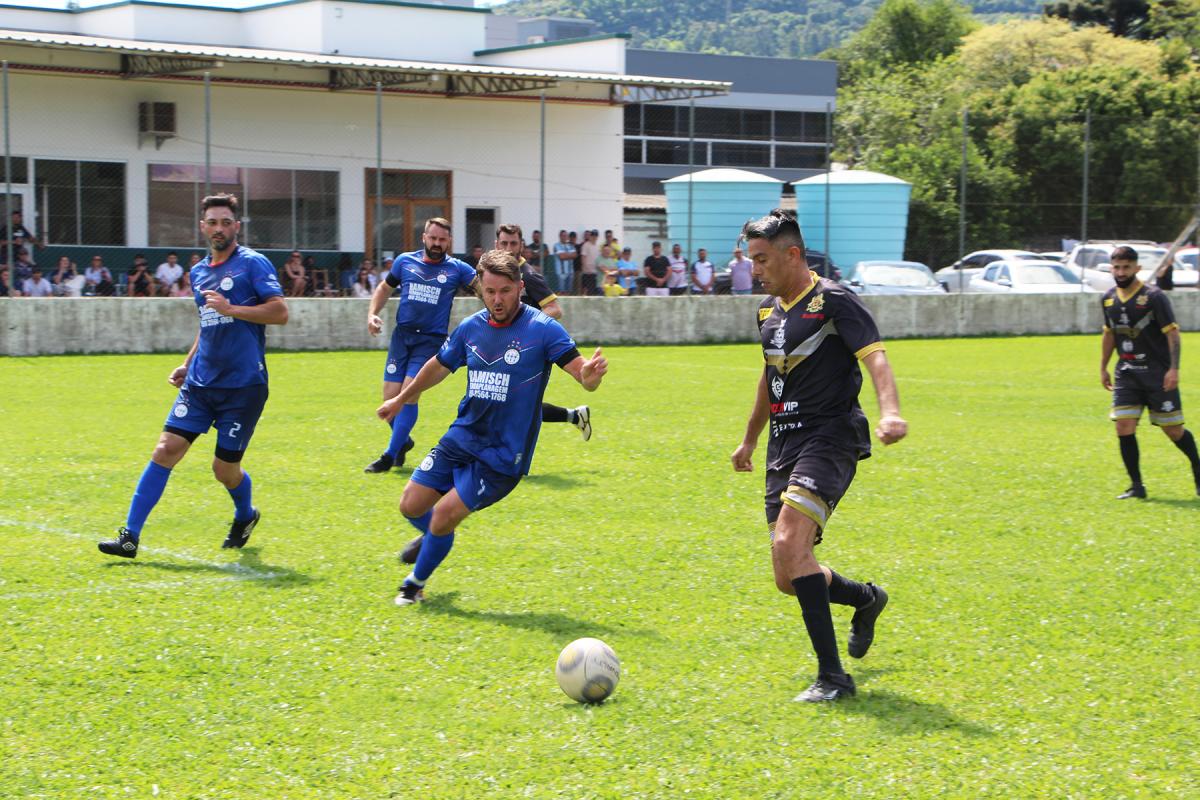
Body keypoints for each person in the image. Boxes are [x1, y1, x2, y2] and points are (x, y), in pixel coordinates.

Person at [731, 209, 906, 703]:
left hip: (829, 437)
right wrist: (748, 439)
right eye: (751, 260)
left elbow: (875, 355)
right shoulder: (768, 311)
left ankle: (833, 678)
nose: (755, 269)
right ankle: (866, 599)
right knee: (789, 576)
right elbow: (771, 378)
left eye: (762, 260)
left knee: (790, 543)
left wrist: (890, 412)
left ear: (793, 254)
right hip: (782, 444)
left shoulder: (834, 301)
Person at [378, 249, 608, 606]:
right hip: (462, 436)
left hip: (502, 454)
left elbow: (581, 373)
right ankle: (437, 539)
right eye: (489, 292)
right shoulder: (471, 328)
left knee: (442, 515)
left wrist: (589, 378)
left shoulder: (543, 330)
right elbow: (437, 366)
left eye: (504, 290)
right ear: (480, 291)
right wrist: (399, 399)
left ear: (519, 287)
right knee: (410, 504)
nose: (497, 299)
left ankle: (414, 583)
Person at [97, 193, 288, 558]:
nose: (219, 229)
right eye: (212, 222)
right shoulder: (198, 271)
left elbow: (280, 313)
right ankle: (129, 536)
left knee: (224, 470)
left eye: (225, 222)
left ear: (237, 226)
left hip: (243, 386)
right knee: (165, 449)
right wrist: (187, 363)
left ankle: (245, 514)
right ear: (203, 227)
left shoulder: (252, 264)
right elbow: (208, 324)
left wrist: (233, 307)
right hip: (200, 383)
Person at [363, 217, 478, 474]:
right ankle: (403, 441)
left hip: (431, 341)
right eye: (433, 238)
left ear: (449, 241)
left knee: (409, 392)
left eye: (442, 240)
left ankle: (389, 456)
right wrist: (372, 313)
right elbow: (384, 287)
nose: (437, 244)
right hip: (402, 338)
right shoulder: (405, 261)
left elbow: (484, 289)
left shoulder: (457, 269)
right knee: (389, 397)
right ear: (424, 238)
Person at [1101, 245, 1200, 498]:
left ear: (1137, 268)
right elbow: (1110, 333)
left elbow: (1173, 334)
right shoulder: (1108, 298)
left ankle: (1198, 470)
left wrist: (1173, 369)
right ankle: (1137, 486)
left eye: (1126, 267)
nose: (1121, 272)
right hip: (1127, 373)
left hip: (1157, 374)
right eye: (1117, 267)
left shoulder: (1154, 297)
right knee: (1123, 426)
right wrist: (1103, 367)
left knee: (1173, 431)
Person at [552, 229, 575, 295]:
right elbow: (561, 257)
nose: (564, 237)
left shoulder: (570, 245)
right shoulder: (556, 245)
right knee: (561, 291)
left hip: (570, 272)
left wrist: (565, 254)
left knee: (569, 291)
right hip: (560, 273)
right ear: (560, 236)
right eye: (563, 236)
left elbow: (575, 255)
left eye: (566, 236)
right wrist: (570, 255)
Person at [579, 229, 600, 296]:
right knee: (587, 292)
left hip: (596, 273)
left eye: (595, 235)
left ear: (597, 237)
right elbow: (583, 258)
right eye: (593, 235)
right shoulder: (586, 245)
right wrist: (587, 269)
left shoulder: (598, 246)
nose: (594, 237)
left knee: (594, 292)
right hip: (587, 273)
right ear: (590, 236)